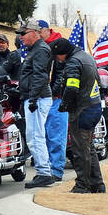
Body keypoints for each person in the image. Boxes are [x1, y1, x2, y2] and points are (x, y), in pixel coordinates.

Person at [53, 37, 106, 193]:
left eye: (58, 56)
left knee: (80, 151)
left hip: (82, 110)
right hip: (94, 106)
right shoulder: (86, 56)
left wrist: (65, 105)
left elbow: (71, 87)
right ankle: (98, 184)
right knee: (88, 148)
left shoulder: (73, 62)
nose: (57, 59)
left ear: (63, 53)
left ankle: (82, 185)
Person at [17, 19, 56, 188]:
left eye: (23, 34)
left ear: (34, 33)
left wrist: (32, 98)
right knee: (34, 136)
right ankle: (44, 171)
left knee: (35, 137)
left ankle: (44, 173)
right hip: (35, 97)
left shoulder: (40, 50)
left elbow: (40, 75)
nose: (20, 37)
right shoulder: (35, 49)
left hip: (38, 99)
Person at [42, 26, 68, 182]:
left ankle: (56, 170)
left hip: (55, 98)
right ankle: (48, 168)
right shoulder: (42, 48)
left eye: (39, 30)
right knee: (45, 135)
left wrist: (53, 92)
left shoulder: (58, 46)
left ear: (47, 30)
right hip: (44, 97)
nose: (37, 34)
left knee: (56, 135)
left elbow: (61, 73)